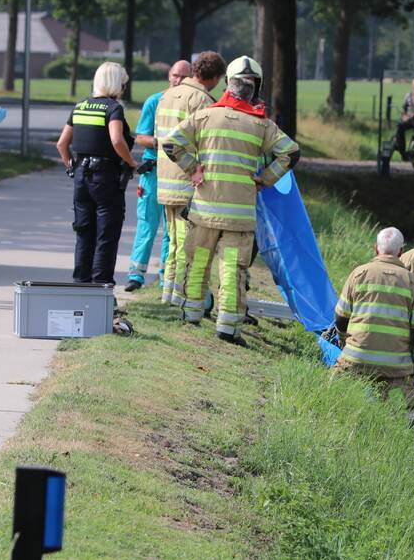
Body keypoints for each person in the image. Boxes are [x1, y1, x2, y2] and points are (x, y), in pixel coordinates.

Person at [162, 55, 299, 345]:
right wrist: (265, 179)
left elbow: (171, 143)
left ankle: (191, 315)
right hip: (240, 216)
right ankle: (227, 327)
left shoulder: (205, 115)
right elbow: (291, 153)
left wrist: (192, 168)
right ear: (255, 89)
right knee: (232, 270)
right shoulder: (262, 125)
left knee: (198, 262)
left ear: (228, 84)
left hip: (204, 212)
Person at [55, 62, 139, 285]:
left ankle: (80, 285)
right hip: (105, 179)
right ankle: (101, 290)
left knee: (84, 233)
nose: (123, 87)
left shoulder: (80, 106)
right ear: (116, 83)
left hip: (81, 177)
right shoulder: (113, 108)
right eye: (123, 83)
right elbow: (116, 140)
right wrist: (131, 163)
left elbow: (62, 144)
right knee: (106, 236)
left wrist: (71, 168)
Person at [155, 51, 226, 305]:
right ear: (216, 78)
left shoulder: (167, 95)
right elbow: (207, 144)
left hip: (165, 179)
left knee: (173, 241)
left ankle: (168, 294)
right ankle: (180, 297)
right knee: (188, 243)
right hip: (187, 182)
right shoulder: (201, 100)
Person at [333, 227, 414, 403]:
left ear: (376, 247)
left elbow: (340, 318)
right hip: (396, 367)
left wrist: (343, 343)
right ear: (401, 251)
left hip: (356, 359)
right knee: (402, 417)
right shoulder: (412, 283)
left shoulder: (358, 274)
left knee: (337, 402)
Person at [123, 60, 191, 292]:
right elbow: (139, 136)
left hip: (180, 172)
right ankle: (136, 275)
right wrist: (164, 144)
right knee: (147, 223)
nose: (178, 80)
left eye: (184, 76)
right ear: (169, 76)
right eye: (175, 75)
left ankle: (166, 276)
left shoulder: (192, 104)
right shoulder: (155, 101)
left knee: (172, 229)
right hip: (154, 170)